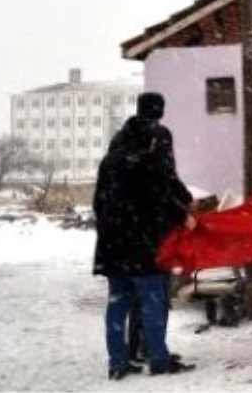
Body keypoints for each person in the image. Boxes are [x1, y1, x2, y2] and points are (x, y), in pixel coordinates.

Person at [92, 92, 196, 379]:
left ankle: (118, 362)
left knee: (118, 302)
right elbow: (160, 192)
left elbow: (98, 202)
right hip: (143, 242)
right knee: (153, 300)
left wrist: (110, 227)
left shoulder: (111, 159)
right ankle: (158, 359)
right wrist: (183, 214)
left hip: (113, 242)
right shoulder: (152, 153)